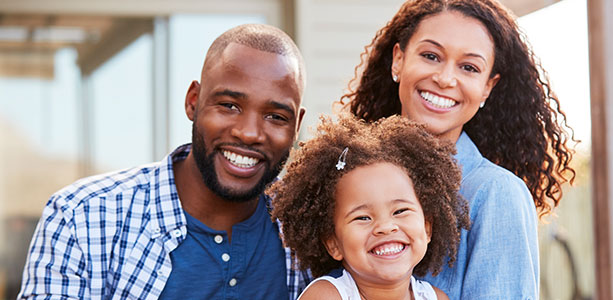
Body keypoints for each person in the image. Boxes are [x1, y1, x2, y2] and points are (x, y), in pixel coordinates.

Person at [18, 24, 310, 300]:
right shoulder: (81, 218)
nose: (248, 133)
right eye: (229, 105)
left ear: (296, 126)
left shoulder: (312, 232)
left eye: (275, 117)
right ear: (193, 101)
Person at [340, 0, 576, 298]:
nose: (445, 78)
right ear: (398, 59)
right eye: (430, 56)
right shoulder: (347, 174)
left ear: (488, 87)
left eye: (468, 67)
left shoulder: (495, 194)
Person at [269, 115, 470, 300]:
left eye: (400, 211)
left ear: (427, 228)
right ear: (333, 243)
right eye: (363, 217)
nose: (385, 226)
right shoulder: (326, 296)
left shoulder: (436, 298)